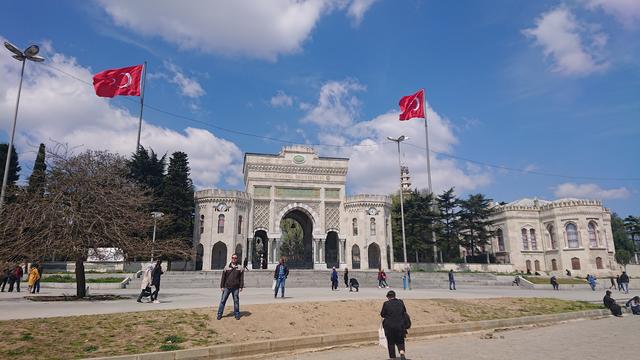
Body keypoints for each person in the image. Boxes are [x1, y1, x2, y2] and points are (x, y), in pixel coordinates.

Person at [380, 290, 409, 360]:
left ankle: (393, 357)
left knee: (391, 342)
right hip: (400, 325)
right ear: (394, 296)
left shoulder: (386, 304)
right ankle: (402, 352)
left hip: (389, 326)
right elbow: (404, 311)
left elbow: (382, 314)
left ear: (388, 297)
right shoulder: (401, 302)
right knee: (400, 340)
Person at [217, 254, 244, 320]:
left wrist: (241, 286)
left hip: (236, 287)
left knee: (236, 301)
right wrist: (222, 286)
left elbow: (241, 278)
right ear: (231, 258)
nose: (234, 259)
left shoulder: (240, 267)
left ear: (237, 259)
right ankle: (219, 314)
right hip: (227, 287)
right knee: (223, 301)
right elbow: (223, 277)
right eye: (233, 258)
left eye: (235, 258)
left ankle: (237, 314)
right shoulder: (226, 267)